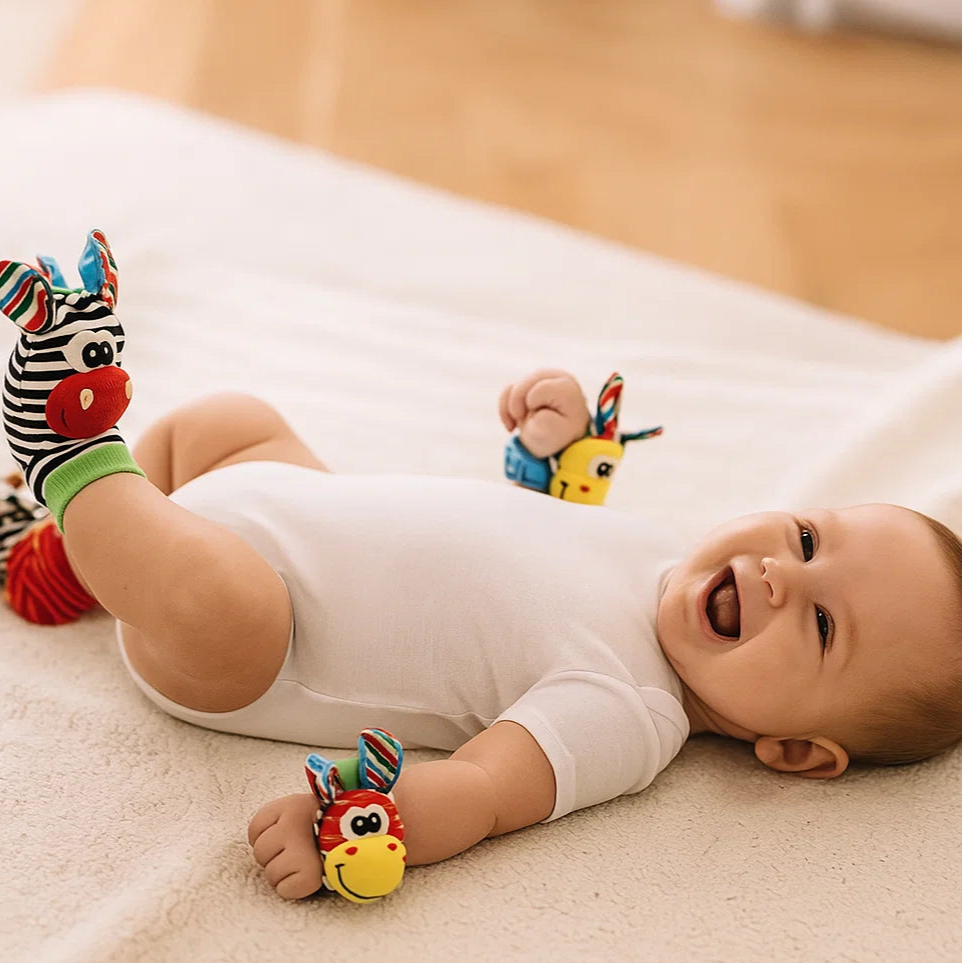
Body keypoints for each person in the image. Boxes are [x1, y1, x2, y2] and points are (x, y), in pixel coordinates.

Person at [3, 237, 960, 902]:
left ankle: (70, 454)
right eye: (802, 536)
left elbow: (482, 792)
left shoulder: (630, 713)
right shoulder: (663, 553)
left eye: (823, 626)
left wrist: (365, 823)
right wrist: (547, 458)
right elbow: (525, 540)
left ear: (795, 750)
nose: (782, 578)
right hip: (288, 500)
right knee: (227, 420)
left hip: (253, 640)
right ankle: (64, 556)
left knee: (217, 601)